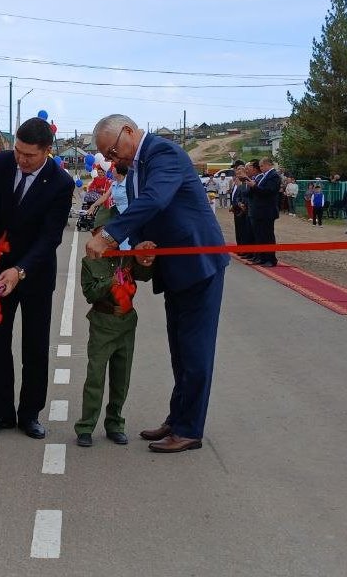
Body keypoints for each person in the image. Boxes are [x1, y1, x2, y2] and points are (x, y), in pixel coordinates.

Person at [86, 115, 230, 454]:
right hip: (175, 268)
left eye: (111, 150)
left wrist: (109, 235)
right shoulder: (137, 164)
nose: (110, 160)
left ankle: (190, 429)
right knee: (180, 351)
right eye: (105, 155)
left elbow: (155, 200)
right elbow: (144, 211)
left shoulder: (163, 153)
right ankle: (177, 418)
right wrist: (141, 246)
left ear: (128, 132)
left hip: (199, 266)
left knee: (195, 352)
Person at [0, 118, 74, 440]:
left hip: (34, 274)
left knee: (35, 346)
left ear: (47, 151)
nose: (21, 159)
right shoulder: (1, 163)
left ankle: (30, 413)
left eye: (29, 155)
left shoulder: (60, 183)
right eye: (18, 151)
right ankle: (1, 411)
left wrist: (20, 270)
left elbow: (49, 238)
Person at [74, 206, 152, 447]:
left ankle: (115, 423)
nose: (106, 238)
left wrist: (145, 258)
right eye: (101, 232)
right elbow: (89, 293)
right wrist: (110, 283)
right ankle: (86, 426)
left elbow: (145, 274)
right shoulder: (90, 262)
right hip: (102, 324)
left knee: (121, 378)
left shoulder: (125, 256)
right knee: (95, 377)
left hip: (126, 323)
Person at [249, 157, 280, 267]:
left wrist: (255, 186)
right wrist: (253, 187)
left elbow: (269, 191)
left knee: (268, 236)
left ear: (268, 165)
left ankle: (271, 259)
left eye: (262, 166)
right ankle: (262, 257)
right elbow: (259, 192)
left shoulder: (274, 176)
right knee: (260, 235)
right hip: (260, 210)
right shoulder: (264, 176)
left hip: (268, 210)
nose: (260, 168)